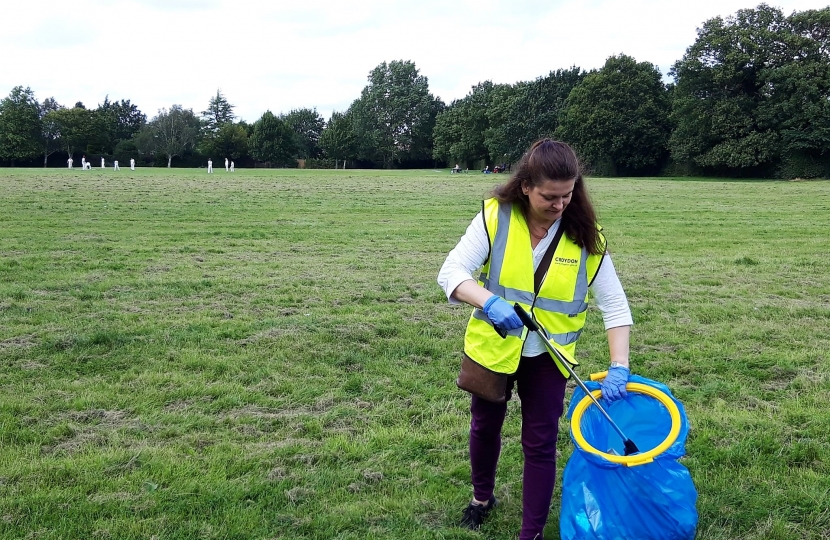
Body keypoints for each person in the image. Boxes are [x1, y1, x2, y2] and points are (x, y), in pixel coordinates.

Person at [437, 139, 633, 540]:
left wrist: (620, 366)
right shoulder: (497, 216)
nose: (560, 204)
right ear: (525, 185)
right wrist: (489, 302)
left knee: (540, 444)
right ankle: (481, 498)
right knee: (484, 427)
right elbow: (451, 272)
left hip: (549, 358)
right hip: (493, 349)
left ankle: (532, 533)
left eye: (568, 194)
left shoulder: (586, 237)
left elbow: (616, 308)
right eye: (549, 196)